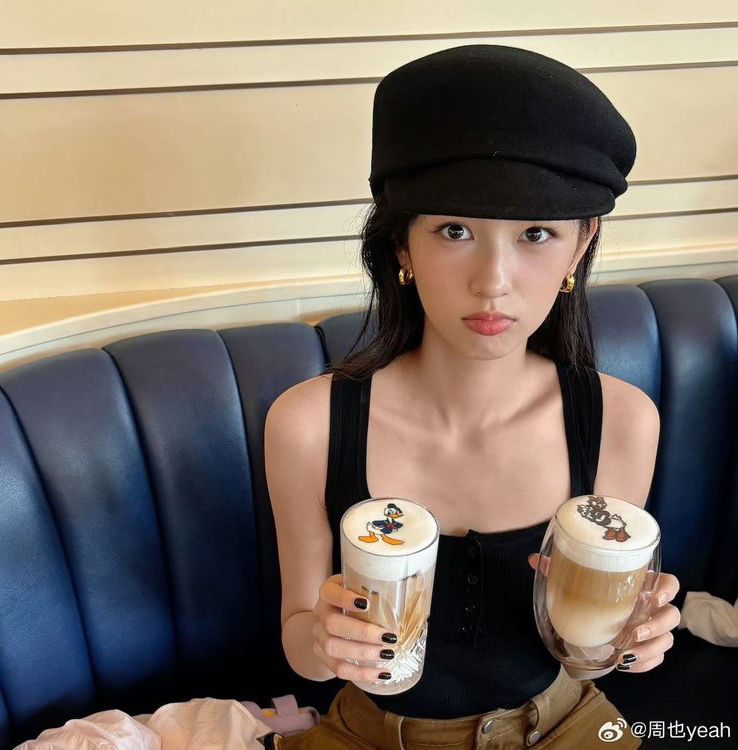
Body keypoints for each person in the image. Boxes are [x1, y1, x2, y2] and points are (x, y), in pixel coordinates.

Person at [263, 44, 682, 750]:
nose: (493, 281)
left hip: (567, 723)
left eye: (536, 234)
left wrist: (629, 641)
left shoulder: (622, 421)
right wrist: (326, 639)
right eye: (455, 230)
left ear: (581, 245)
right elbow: (299, 643)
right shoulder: (309, 424)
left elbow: (587, 656)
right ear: (402, 244)